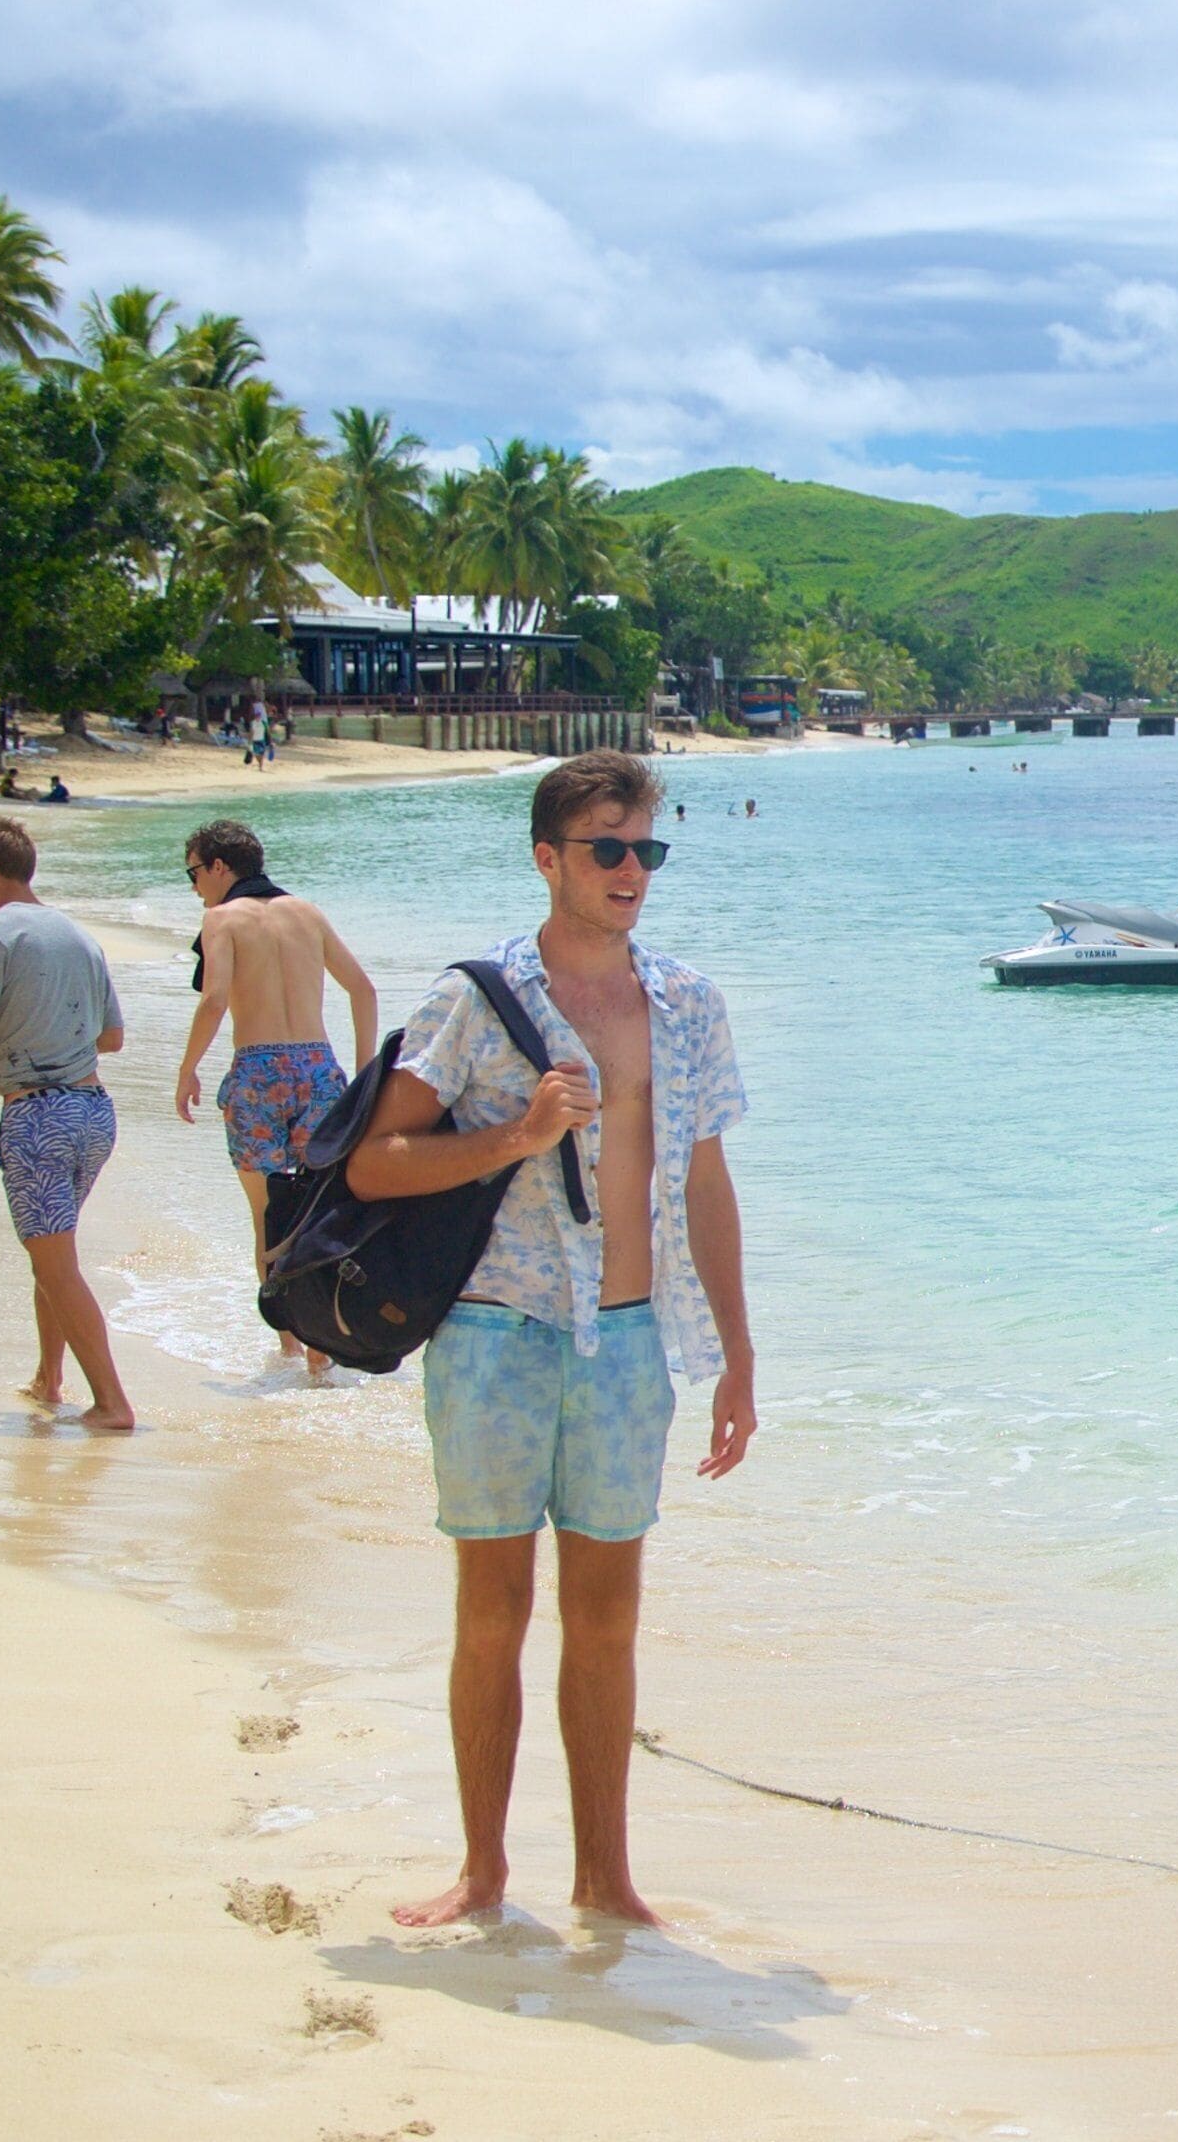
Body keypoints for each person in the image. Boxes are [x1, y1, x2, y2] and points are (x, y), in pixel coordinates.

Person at [345, 751, 755, 1928]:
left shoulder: (687, 1002)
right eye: (607, 849)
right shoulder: (476, 1001)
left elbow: (707, 1181)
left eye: (646, 850)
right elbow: (377, 1161)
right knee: (492, 1607)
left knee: (611, 1617)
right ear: (548, 858)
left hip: (631, 1340)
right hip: (494, 1333)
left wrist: (734, 1350)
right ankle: (482, 1869)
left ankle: (605, 1878)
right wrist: (518, 1136)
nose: (631, 871)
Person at [172, 820, 378, 1379]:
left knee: (266, 1212)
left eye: (193, 872)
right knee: (317, 1206)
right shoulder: (307, 913)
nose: (193, 887)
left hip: (258, 1072)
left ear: (219, 867)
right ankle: (322, 1347)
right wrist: (363, 1074)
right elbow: (363, 989)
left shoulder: (221, 918)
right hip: (317, 1067)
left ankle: (287, 1344)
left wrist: (188, 1068)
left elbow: (214, 999)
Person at [0, 817, 132, 1428]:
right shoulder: (79, 937)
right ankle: (48, 1378)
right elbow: (111, 1037)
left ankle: (112, 1404)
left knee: (57, 1264)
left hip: (37, 1116)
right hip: (93, 1112)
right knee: (52, 1254)